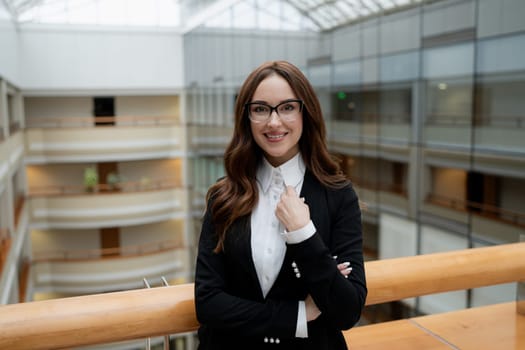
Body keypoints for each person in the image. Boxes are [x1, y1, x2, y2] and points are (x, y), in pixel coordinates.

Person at [194, 60, 367, 349]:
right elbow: (208, 302)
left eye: (287, 107)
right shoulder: (223, 196)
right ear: (246, 117)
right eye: (261, 109)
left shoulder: (339, 196)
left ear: (305, 113)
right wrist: (298, 315)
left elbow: (347, 311)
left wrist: (303, 233)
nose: (274, 122)